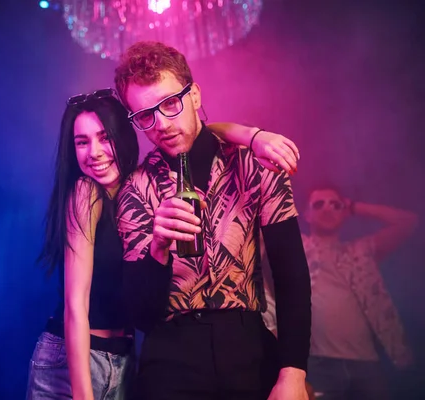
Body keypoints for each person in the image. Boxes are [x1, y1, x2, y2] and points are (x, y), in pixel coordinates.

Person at [26, 88, 303, 399]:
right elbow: (75, 306)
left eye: (105, 137)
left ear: (123, 136)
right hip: (75, 359)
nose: (95, 152)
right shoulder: (85, 191)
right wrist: (83, 394)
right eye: (82, 142)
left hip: (122, 357)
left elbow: (198, 133)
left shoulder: (139, 185)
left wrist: (253, 137)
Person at [114, 41, 312, 400]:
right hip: (169, 361)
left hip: (248, 349)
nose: (161, 124)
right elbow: (141, 317)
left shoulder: (254, 162)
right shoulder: (135, 189)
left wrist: (293, 372)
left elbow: (292, 277)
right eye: (145, 116)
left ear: (194, 95)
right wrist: (158, 247)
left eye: (170, 103)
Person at [302, 184, 418, 399]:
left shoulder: (361, 251)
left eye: (335, 204)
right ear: (307, 214)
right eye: (319, 204)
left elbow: (408, 222)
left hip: (367, 365)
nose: (327, 209)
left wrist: (355, 207)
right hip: (317, 364)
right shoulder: (297, 247)